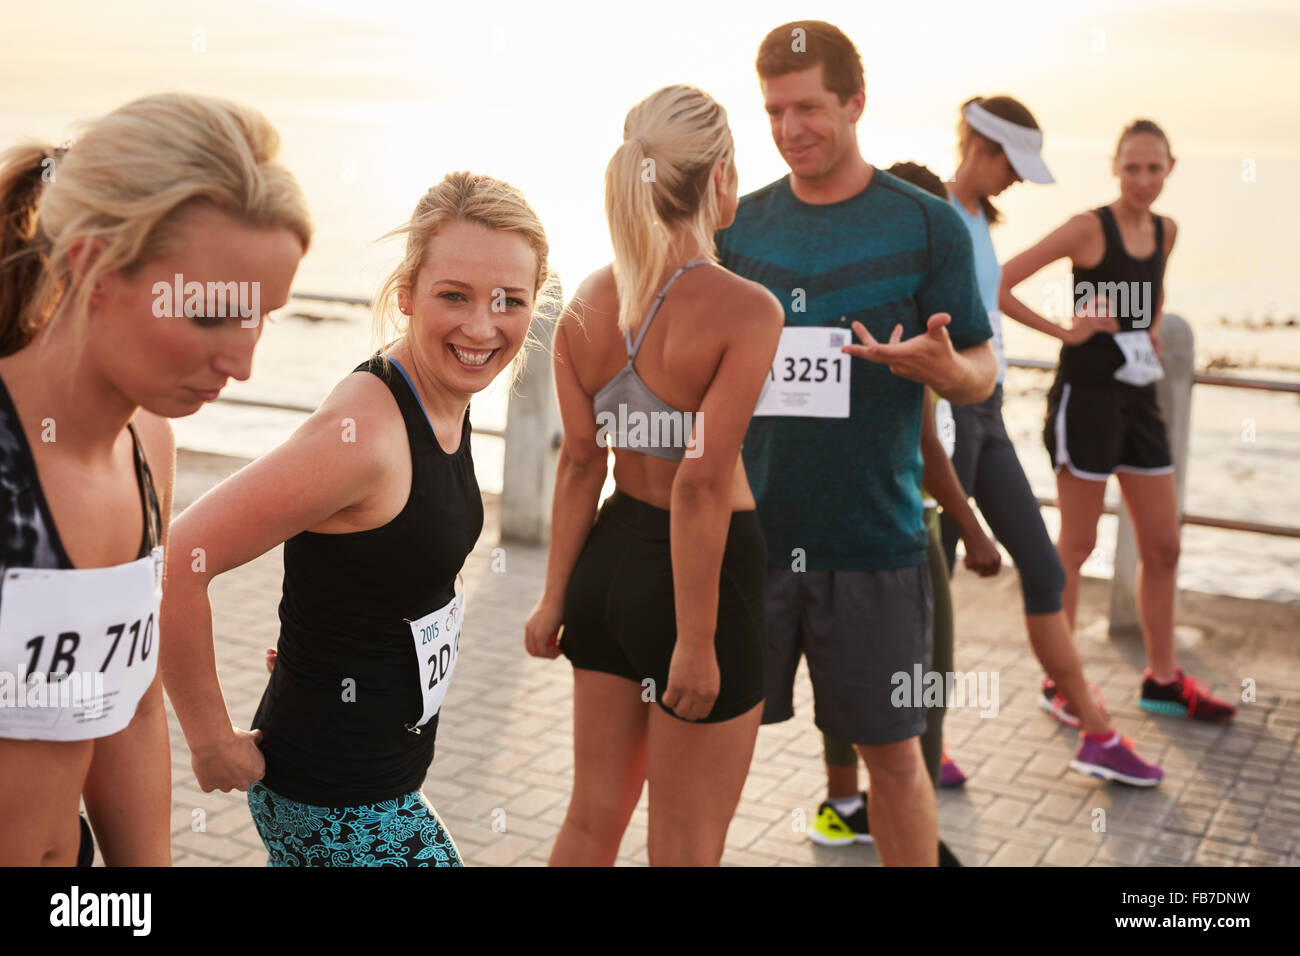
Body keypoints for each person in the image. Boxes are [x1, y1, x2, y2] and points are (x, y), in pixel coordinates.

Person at [162, 170, 553, 866]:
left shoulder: (442, 402)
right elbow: (183, 556)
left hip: (376, 778)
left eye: (509, 301)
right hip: (333, 794)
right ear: (406, 294)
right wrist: (209, 739)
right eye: (454, 296)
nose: (481, 325)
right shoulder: (365, 433)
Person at [0, 92, 310, 865]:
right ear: (89, 267)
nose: (242, 364)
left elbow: (127, 705)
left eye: (261, 315)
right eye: (209, 314)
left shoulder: (149, 448)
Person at [716, 21, 999, 866]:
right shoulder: (740, 226)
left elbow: (980, 366)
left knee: (895, 763)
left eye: (808, 107)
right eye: (773, 110)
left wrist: (948, 369)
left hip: (875, 548)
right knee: (711, 752)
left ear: (855, 102)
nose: (790, 128)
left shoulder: (927, 226)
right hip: (751, 541)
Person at [523, 84, 783, 867]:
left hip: (608, 567)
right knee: (684, 846)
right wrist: (697, 643)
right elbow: (701, 486)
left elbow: (577, 462)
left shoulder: (582, 305)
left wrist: (553, 599)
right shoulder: (748, 309)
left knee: (589, 820)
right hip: (702, 582)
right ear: (720, 175)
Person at [936, 97, 1164, 785]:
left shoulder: (978, 216)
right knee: (931, 588)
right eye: (1012, 164)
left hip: (990, 410)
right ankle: (917, 745)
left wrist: (1068, 331)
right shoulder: (934, 209)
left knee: (1041, 566)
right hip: (947, 420)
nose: (1016, 182)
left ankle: (1094, 735)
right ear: (981, 147)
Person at [1000, 119, 1236, 725]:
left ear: (1170, 169)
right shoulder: (1088, 228)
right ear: (1115, 167)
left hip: (1140, 401)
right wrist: (1065, 329)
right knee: (1075, 547)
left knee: (1164, 544)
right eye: (1132, 168)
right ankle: (1060, 682)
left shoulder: (1166, 231)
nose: (1143, 180)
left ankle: (1162, 680)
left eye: (1154, 168)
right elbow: (1001, 282)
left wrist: (1152, 327)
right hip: (1087, 397)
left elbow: (1151, 292)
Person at [809, 163, 1002, 856]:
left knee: (856, 685)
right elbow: (928, 445)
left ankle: (845, 804)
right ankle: (904, 825)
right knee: (918, 691)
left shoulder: (870, 300)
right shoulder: (902, 317)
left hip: (865, 526)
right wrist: (975, 533)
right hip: (902, 525)